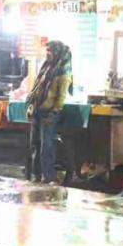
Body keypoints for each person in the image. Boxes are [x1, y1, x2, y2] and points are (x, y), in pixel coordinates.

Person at [26, 41, 73, 184]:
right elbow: (37, 88)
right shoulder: (46, 67)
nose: (47, 54)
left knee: (46, 146)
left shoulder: (63, 72)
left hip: (49, 113)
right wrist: (31, 105)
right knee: (35, 144)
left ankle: (48, 176)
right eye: (47, 51)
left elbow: (61, 96)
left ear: (57, 52)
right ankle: (36, 174)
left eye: (50, 51)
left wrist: (54, 112)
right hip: (38, 110)